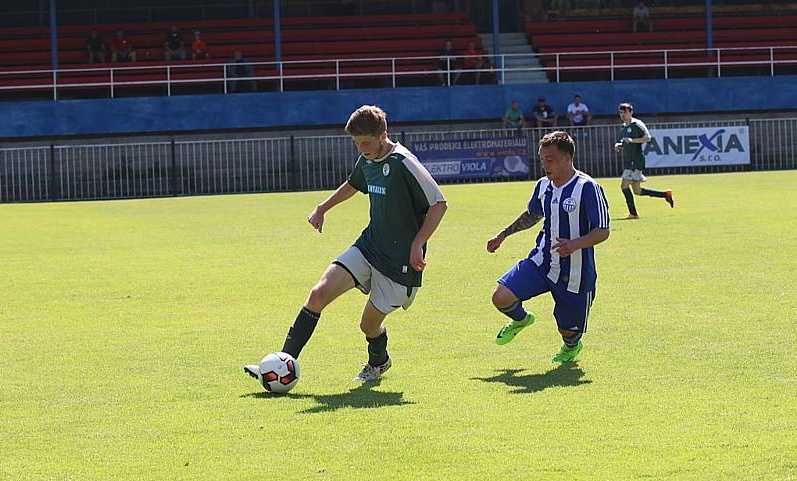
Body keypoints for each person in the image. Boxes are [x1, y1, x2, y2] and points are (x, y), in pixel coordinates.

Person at [244, 105, 447, 382]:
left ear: (382, 135)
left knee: (368, 325)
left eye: (365, 143)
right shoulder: (367, 160)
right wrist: (323, 207)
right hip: (369, 246)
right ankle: (281, 364)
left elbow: (439, 204)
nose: (361, 149)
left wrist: (417, 244)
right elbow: (353, 184)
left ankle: (379, 362)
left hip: (400, 261)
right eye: (356, 144)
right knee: (318, 295)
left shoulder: (404, 162)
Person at [487, 130, 610, 363]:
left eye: (550, 159)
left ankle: (571, 345)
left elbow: (602, 230)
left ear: (567, 158)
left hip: (574, 273)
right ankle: (521, 319)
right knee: (501, 297)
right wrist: (503, 234)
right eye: (542, 159)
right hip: (541, 262)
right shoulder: (543, 185)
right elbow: (533, 214)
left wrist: (575, 244)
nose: (544, 164)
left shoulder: (588, 188)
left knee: (569, 331)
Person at [614, 102, 674, 219]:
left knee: (624, 185)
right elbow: (627, 142)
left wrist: (632, 140)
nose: (622, 114)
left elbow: (648, 138)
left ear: (631, 112)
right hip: (630, 160)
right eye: (621, 112)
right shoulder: (623, 127)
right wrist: (619, 145)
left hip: (636, 160)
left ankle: (633, 213)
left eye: (625, 112)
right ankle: (665, 194)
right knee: (637, 191)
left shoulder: (637, 124)